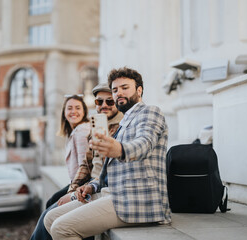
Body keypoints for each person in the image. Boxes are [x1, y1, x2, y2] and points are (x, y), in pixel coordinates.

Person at [44, 67, 171, 240]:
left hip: (137, 200)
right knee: (50, 218)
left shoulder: (150, 112)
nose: (119, 93)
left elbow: (144, 144)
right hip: (113, 192)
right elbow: (108, 170)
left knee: (61, 228)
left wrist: (119, 149)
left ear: (139, 90)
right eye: (115, 90)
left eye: (125, 88)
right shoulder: (124, 122)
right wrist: (92, 186)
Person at [30, 85, 123, 240]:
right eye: (99, 102)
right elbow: (86, 165)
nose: (104, 105)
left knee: (50, 215)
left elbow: (98, 171)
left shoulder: (117, 130)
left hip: (97, 188)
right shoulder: (95, 129)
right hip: (89, 185)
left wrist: (73, 193)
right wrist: (73, 190)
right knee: (51, 208)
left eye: (109, 102)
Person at [30, 94, 90, 240]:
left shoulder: (81, 131)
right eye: (69, 108)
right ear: (64, 112)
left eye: (77, 108)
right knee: (51, 201)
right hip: (74, 182)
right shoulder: (73, 132)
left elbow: (87, 166)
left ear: (84, 112)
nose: (73, 111)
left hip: (83, 184)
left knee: (47, 215)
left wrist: (73, 193)